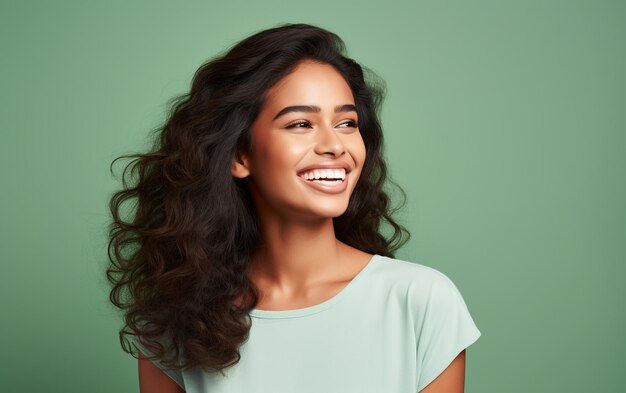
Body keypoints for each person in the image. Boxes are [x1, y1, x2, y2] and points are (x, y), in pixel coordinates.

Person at [106, 22, 481, 393]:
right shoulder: (176, 319)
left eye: (347, 123)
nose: (336, 145)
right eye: (302, 123)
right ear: (239, 155)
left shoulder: (421, 300)